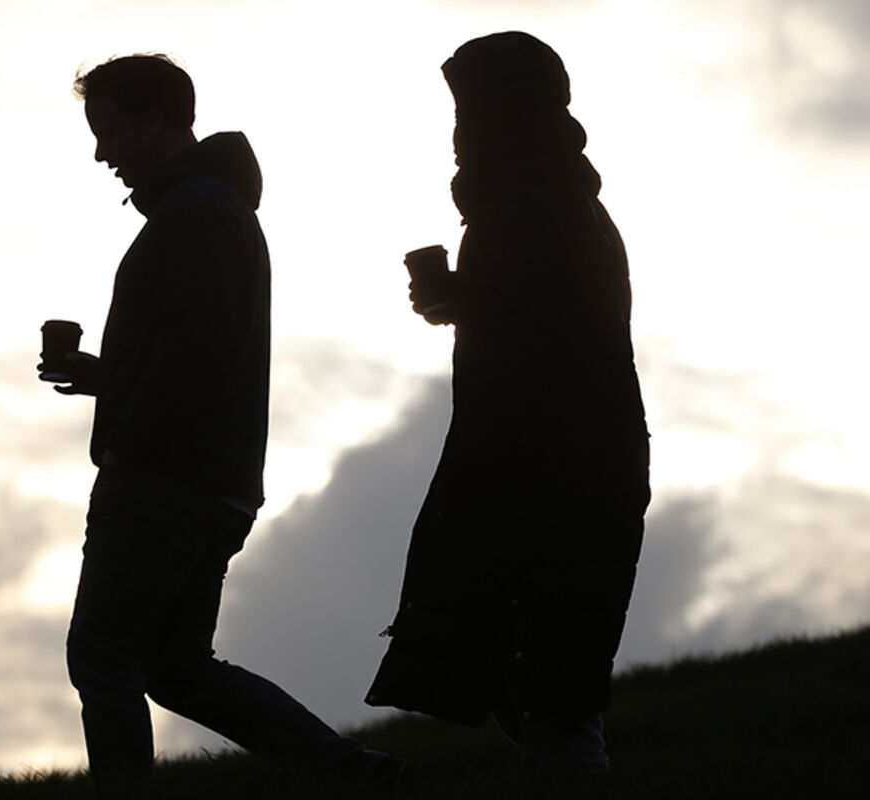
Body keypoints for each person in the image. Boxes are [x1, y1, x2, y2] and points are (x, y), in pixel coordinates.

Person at [39, 54, 405, 796]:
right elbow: (199, 347)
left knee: (105, 656)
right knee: (176, 667)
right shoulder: (211, 207)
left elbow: (195, 351)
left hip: (165, 481)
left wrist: (127, 445)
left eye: (110, 132)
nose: (102, 153)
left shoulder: (196, 211)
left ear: (155, 121)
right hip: (210, 479)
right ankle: (358, 775)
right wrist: (109, 378)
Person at [365, 32, 651, 775]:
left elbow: (547, 334)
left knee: (547, 686)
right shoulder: (555, 199)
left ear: (503, 114)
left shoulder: (527, 203)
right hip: (572, 463)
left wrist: (465, 298)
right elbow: (545, 314)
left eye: (469, 114)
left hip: (548, 472)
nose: (457, 134)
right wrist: (464, 299)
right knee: (534, 676)